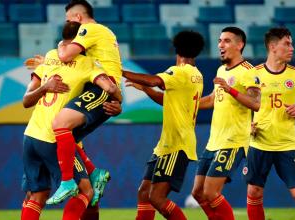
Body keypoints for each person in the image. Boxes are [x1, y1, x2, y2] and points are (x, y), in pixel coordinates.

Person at [21, 21, 121, 220]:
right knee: (86, 192)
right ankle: (88, 174)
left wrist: (44, 88)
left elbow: (26, 101)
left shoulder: (49, 58)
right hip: (53, 140)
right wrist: (119, 101)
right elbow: (109, 88)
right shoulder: (88, 64)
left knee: (37, 195)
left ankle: (92, 172)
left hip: (30, 136)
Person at [48, 0, 123, 204]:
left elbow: (64, 56)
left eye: (68, 19)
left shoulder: (89, 29)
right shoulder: (105, 33)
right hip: (103, 86)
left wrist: (59, 46)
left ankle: (67, 182)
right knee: (65, 135)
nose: (68, 24)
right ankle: (93, 172)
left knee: (60, 123)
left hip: (102, 86)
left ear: (78, 18)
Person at [124, 30, 204, 220]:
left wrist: (118, 71)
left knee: (156, 198)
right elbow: (165, 99)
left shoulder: (179, 71)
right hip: (167, 144)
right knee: (144, 192)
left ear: (176, 48)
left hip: (176, 144)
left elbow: (154, 81)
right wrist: (144, 88)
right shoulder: (196, 75)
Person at [190, 27, 261, 220]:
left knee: (211, 193)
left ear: (240, 45)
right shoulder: (221, 69)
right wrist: (188, 104)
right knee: (198, 193)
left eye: (227, 41)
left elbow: (256, 103)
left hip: (233, 142)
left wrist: (231, 90)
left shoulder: (248, 71)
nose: (220, 45)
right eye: (220, 41)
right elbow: (213, 99)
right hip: (214, 141)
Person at [244, 27, 295, 220]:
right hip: (259, 143)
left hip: (287, 143)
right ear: (273, 47)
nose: (292, 48)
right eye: (287, 43)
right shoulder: (254, 74)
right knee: (254, 192)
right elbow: (241, 107)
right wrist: (246, 125)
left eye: (291, 43)